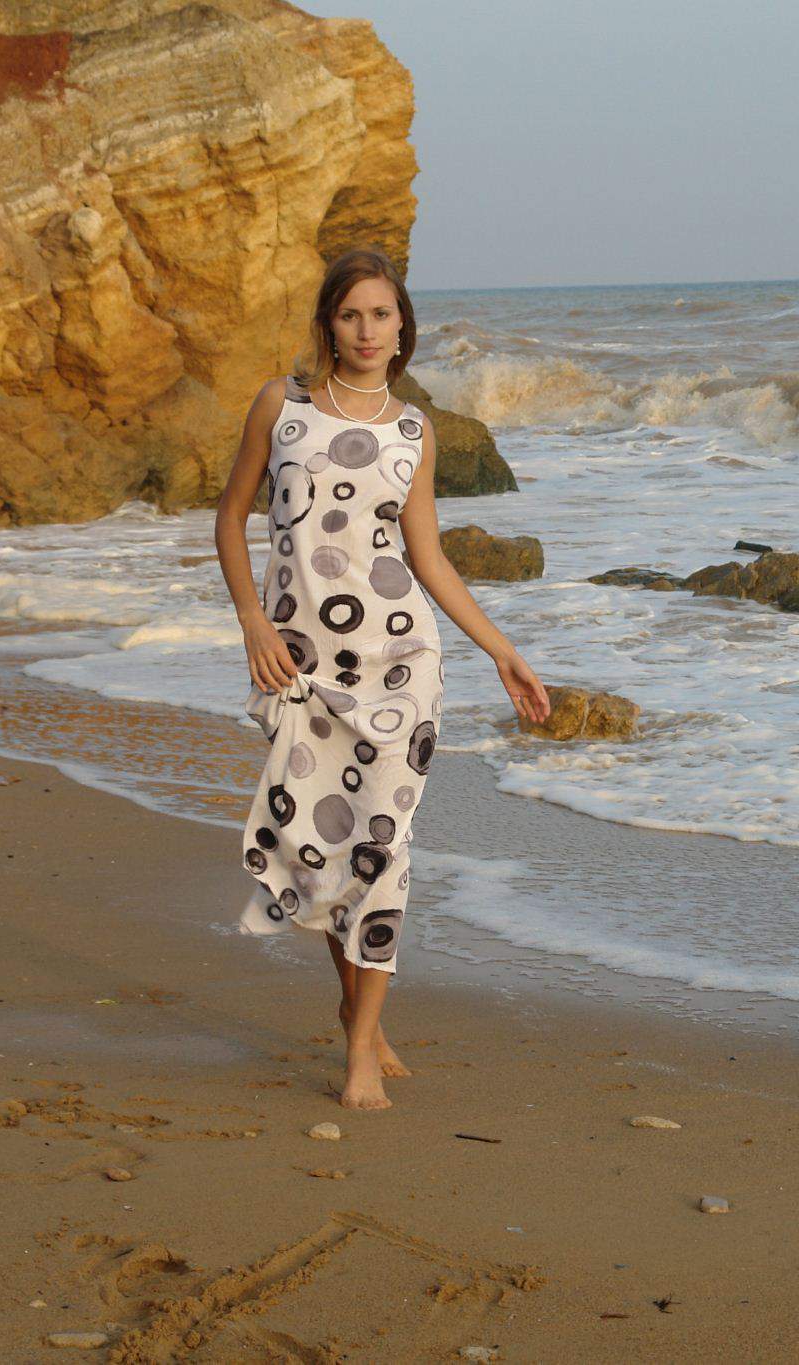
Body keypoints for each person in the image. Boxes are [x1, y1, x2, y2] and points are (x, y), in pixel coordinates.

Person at [213, 247, 550, 1110]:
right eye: (351, 314)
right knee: (322, 847)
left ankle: (361, 1043)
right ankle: (353, 1003)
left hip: (402, 666)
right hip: (301, 665)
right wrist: (253, 620)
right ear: (329, 324)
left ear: (404, 328)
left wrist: (501, 649)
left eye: (382, 314)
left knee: (382, 846)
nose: (368, 330)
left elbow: (427, 557)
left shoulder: (413, 432)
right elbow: (231, 516)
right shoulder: (281, 406)